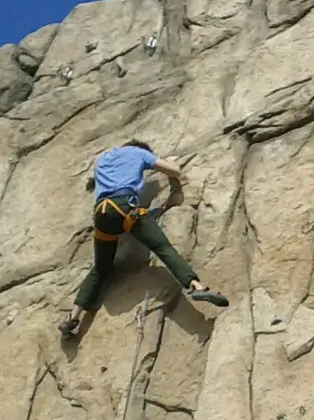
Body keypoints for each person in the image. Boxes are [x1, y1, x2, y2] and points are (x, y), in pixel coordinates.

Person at [59, 139, 229, 338]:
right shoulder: (138, 153)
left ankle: (73, 317)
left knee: (100, 268)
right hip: (125, 209)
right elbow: (173, 171)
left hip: (102, 215)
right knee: (162, 248)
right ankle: (196, 287)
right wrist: (170, 163)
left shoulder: (103, 159)